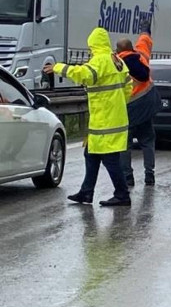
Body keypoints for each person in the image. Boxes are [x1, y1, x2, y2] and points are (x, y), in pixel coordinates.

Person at [44, 28, 132, 206]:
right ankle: (86, 192)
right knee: (91, 154)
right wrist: (117, 103)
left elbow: (84, 75)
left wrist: (57, 67)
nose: (90, 50)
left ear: (94, 44)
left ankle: (122, 195)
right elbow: (128, 87)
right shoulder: (117, 60)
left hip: (105, 119)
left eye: (91, 46)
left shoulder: (100, 60)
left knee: (110, 158)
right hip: (113, 116)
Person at [116, 20, 162, 187]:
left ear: (119, 50)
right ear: (131, 48)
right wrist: (145, 29)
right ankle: (149, 175)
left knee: (125, 145)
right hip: (147, 106)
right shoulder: (141, 56)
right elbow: (144, 41)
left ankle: (128, 177)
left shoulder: (117, 64)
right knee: (148, 141)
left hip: (129, 109)